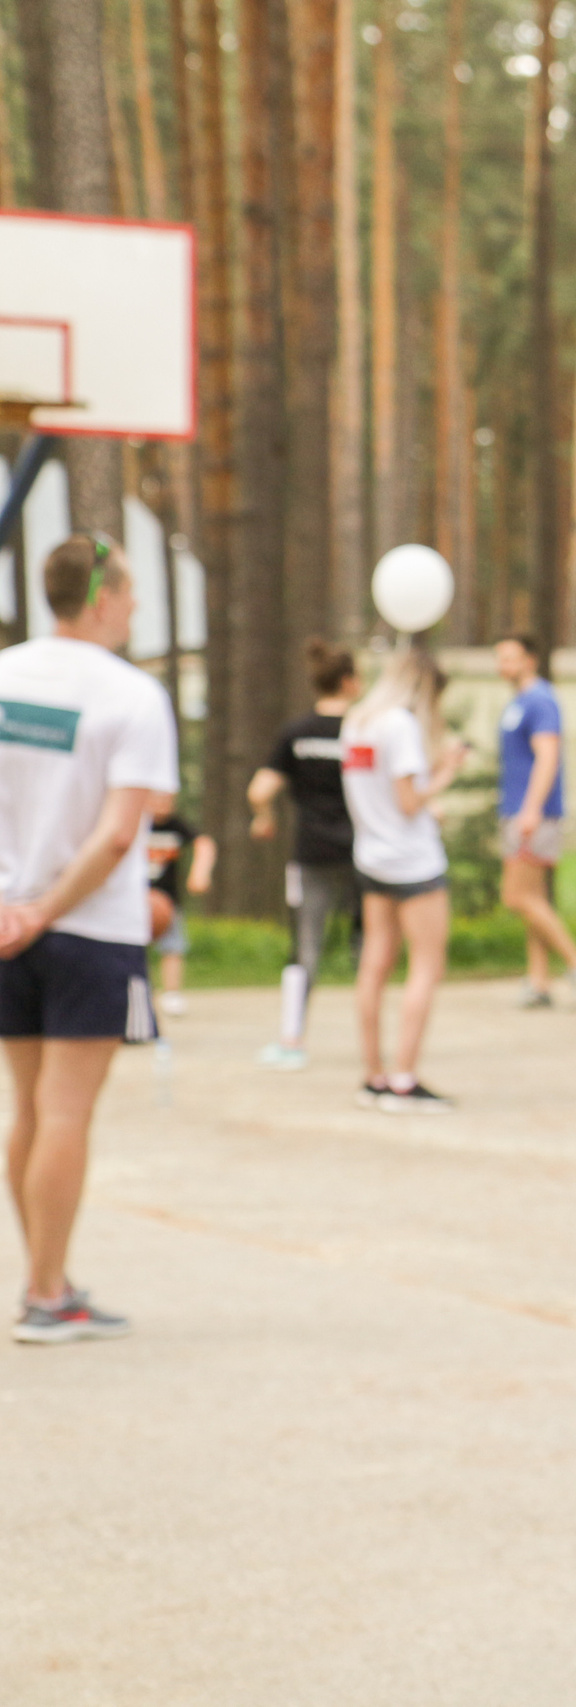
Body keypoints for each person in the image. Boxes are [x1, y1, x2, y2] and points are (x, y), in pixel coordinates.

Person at [0, 535, 179, 1343]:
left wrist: (17, 908)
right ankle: (45, 1291)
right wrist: (47, 907)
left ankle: (49, 1276)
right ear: (101, 596)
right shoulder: (131, 695)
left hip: (8, 926)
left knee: (30, 1108)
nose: (136, 608)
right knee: (66, 1112)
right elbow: (117, 836)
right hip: (89, 928)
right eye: (131, 593)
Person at [342, 647, 466, 1112]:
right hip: (413, 863)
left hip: (371, 856)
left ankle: (373, 1076)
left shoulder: (358, 722)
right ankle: (403, 1080)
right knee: (426, 965)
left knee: (374, 964)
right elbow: (410, 802)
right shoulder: (401, 725)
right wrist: (447, 772)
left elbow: (378, 793)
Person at [247, 640, 365, 1070]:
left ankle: (292, 1040)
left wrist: (264, 819)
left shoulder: (296, 733)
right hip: (362, 853)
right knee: (368, 944)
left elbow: (260, 791)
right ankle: (374, 1044)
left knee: (305, 947)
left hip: (310, 853)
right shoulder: (363, 729)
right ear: (350, 682)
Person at [492, 634, 576, 1009]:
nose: (502, 666)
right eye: (500, 659)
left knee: (516, 896)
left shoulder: (540, 700)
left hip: (532, 813)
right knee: (534, 899)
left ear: (530, 660)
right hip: (519, 809)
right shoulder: (520, 701)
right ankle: (539, 982)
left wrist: (531, 809)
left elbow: (548, 756)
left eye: (510, 658)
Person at [142, 802, 215, 1014]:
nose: (163, 803)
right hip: (134, 901)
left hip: (168, 901)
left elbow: (204, 843)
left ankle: (172, 994)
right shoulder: (136, 822)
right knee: (133, 950)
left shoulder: (176, 825)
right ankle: (138, 992)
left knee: (173, 947)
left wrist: (200, 872)